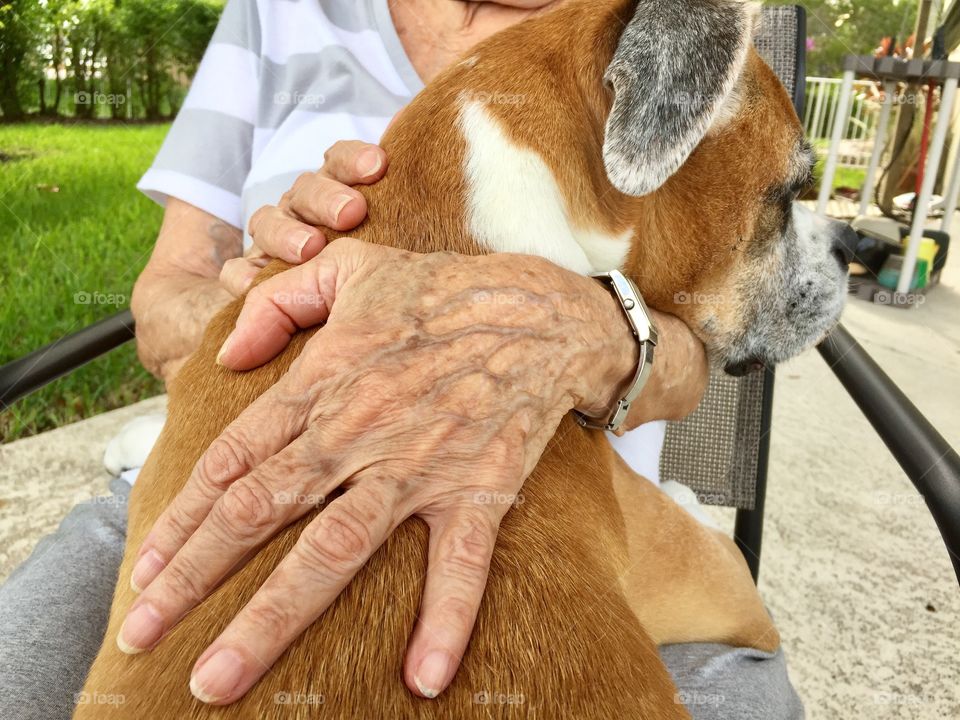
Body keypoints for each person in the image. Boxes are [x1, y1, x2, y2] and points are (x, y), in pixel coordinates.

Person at [0, 1, 803, 718]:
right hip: (214, 489)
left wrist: (592, 327)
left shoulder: (675, 31)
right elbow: (165, 297)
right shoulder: (277, 13)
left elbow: (706, 346)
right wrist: (276, 300)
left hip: (615, 522)